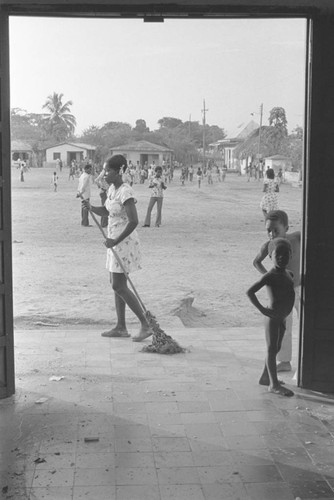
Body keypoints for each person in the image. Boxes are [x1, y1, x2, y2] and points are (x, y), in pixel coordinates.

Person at [82, 154, 152, 341]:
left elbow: (134, 221)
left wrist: (116, 240)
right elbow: (107, 211)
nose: (104, 174)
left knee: (118, 285)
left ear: (119, 170)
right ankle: (121, 327)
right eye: (104, 170)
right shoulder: (112, 189)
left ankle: (146, 324)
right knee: (116, 285)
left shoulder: (126, 192)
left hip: (124, 242)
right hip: (113, 240)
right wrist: (91, 207)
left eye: (108, 170)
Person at [253, 210, 301, 373]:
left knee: (307, 324)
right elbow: (256, 262)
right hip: (282, 294)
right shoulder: (268, 246)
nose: (272, 234)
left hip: (301, 287)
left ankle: (308, 359)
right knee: (284, 327)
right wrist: (269, 277)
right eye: (268, 230)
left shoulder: (297, 238)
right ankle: (284, 361)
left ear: (286, 228)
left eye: (276, 230)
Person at [247, 238, 295, 397]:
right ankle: (273, 385)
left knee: (276, 348)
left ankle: (266, 377)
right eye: (278, 254)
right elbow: (250, 292)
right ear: (270, 257)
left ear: (291, 255)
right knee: (271, 348)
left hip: (281, 318)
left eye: (285, 254)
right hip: (273, 317)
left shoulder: (289, 274)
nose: (282, 257)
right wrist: (262, 309)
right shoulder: (270, 276)